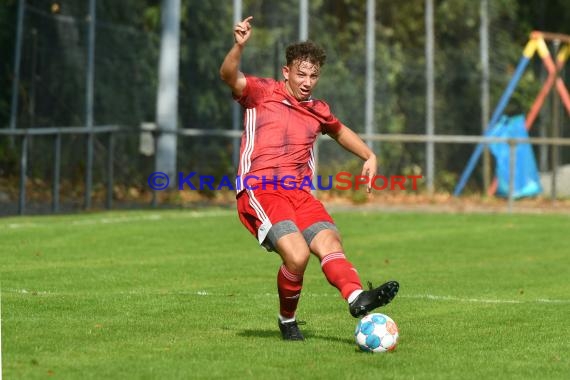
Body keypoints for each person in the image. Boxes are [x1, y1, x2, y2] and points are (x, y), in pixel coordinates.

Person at [219, 16, 399, 341]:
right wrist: (239, 45)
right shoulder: (262, 92)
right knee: (298, 255)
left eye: (313, 75)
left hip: (301, 195)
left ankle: (357, 297)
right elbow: (229, 75)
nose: (307, 81)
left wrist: (369, 156)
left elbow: (340, 131)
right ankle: (287, 320)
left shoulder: (318, 109)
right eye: (301, 74)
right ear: (286, 71)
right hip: (261, 190)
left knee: (330, 242)